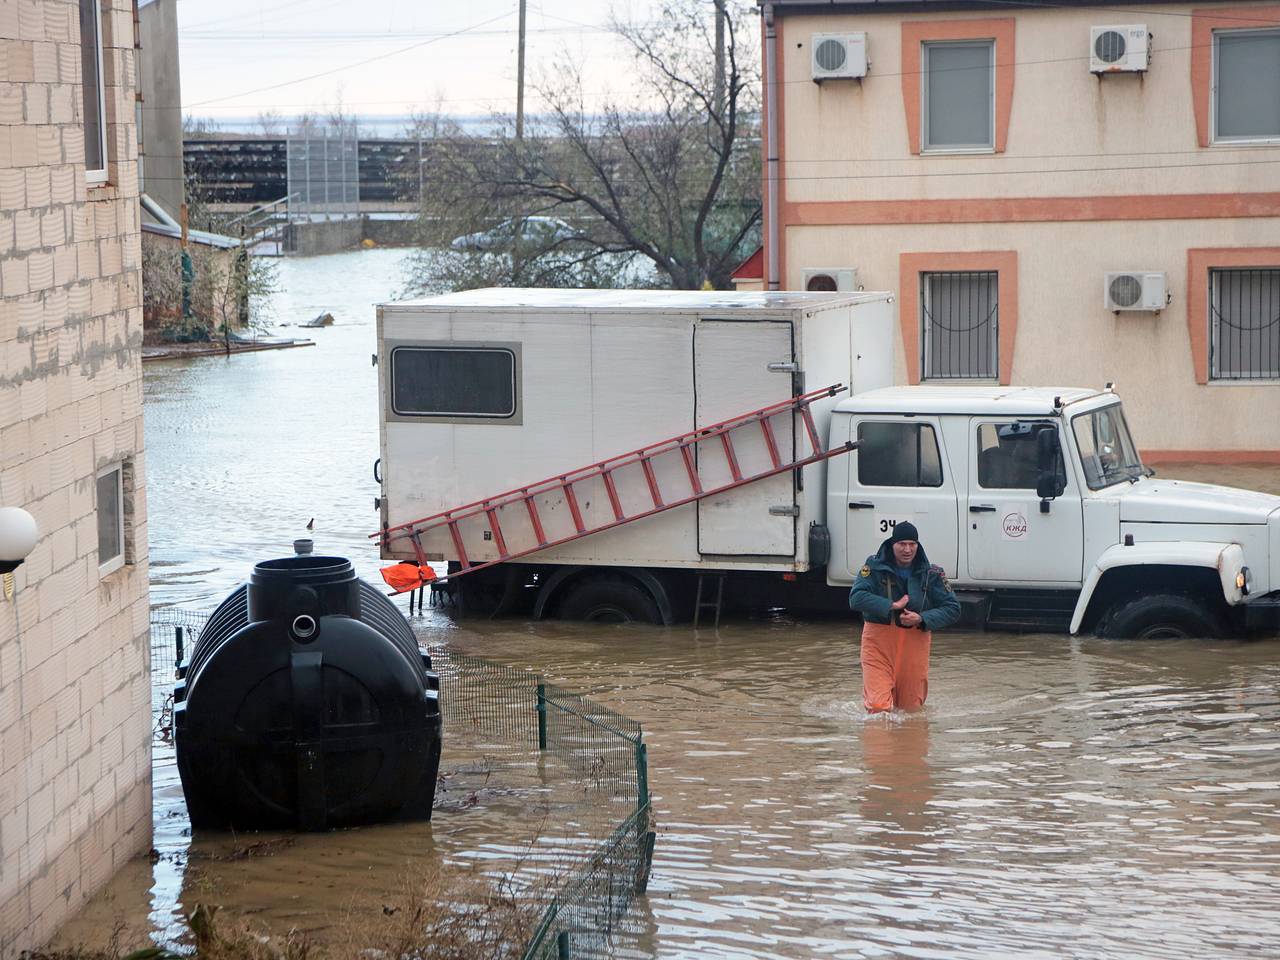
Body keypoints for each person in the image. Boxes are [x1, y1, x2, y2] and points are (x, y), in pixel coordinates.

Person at [848, 521, 960, 713]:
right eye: (902, 544)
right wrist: (891, 606)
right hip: (878, 643)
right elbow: (856, 598)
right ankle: (880, 742)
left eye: (912, 544)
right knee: (877, 707)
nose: (907, 549)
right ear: (892, 544)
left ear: (918, 545)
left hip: (915, 642)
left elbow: (953, 608)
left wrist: (922, 618)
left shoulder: (932, 573)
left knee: (911, 711)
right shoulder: (873, 567)